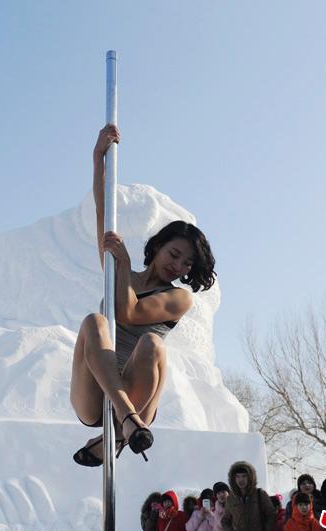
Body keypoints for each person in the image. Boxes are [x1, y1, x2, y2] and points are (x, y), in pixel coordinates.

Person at [71, 124, 217, 466]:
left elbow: (129, 314)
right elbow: (101, 211)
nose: (178, 265)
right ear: (159, 246)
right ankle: (121, 431)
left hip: (138, 398)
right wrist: (97, 157)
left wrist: (122, 265)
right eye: (174, 254)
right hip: (95, 395)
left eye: (187, 263)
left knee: (153, 343)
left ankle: (124, 425)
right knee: (94, 321)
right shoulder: (122, 273)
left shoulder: (179, 298)